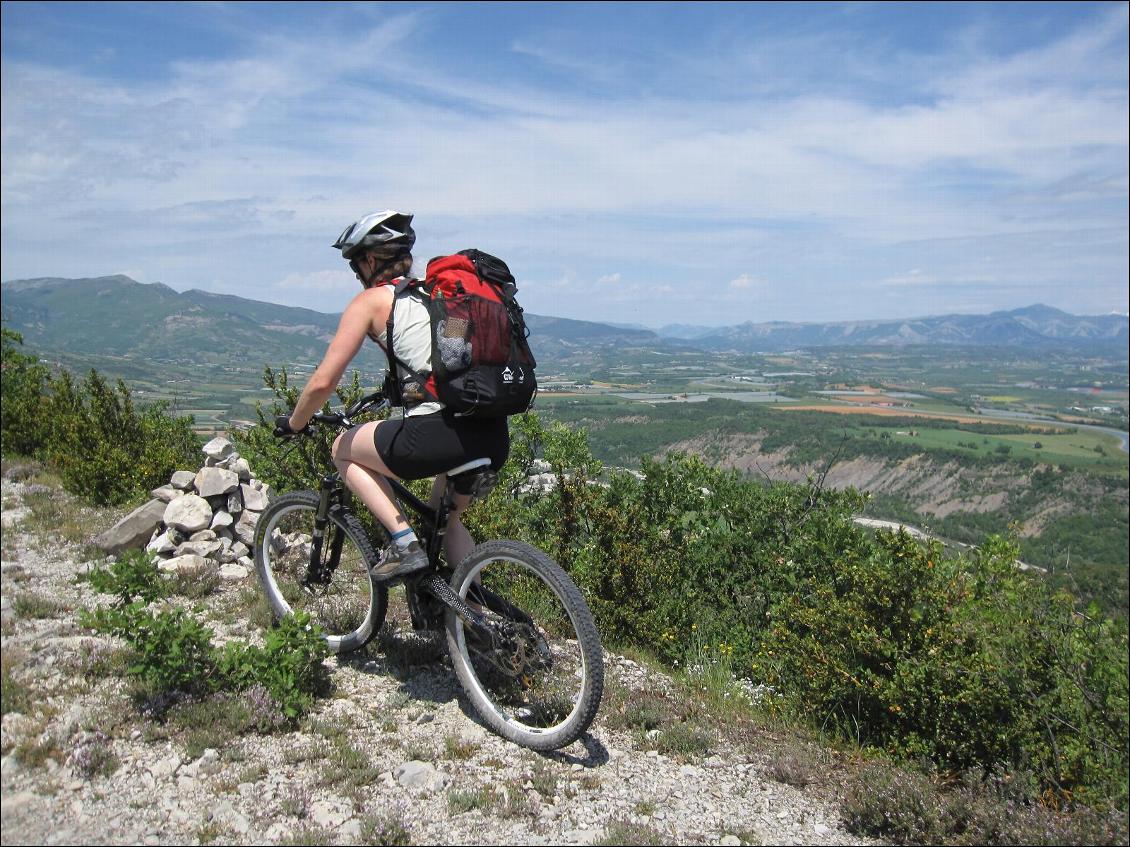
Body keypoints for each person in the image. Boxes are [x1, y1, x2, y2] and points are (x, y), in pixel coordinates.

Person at [275, 210, 510, 580]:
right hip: (492, 433)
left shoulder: (370, 302)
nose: (356, 276)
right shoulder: (443, 295)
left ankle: (403, 543)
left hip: (437, 435)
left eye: (356, 267)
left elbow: (323, 382)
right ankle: (476, 623)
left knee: (342, 448)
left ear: (370, 260)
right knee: (442, 523)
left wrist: (294, 423)